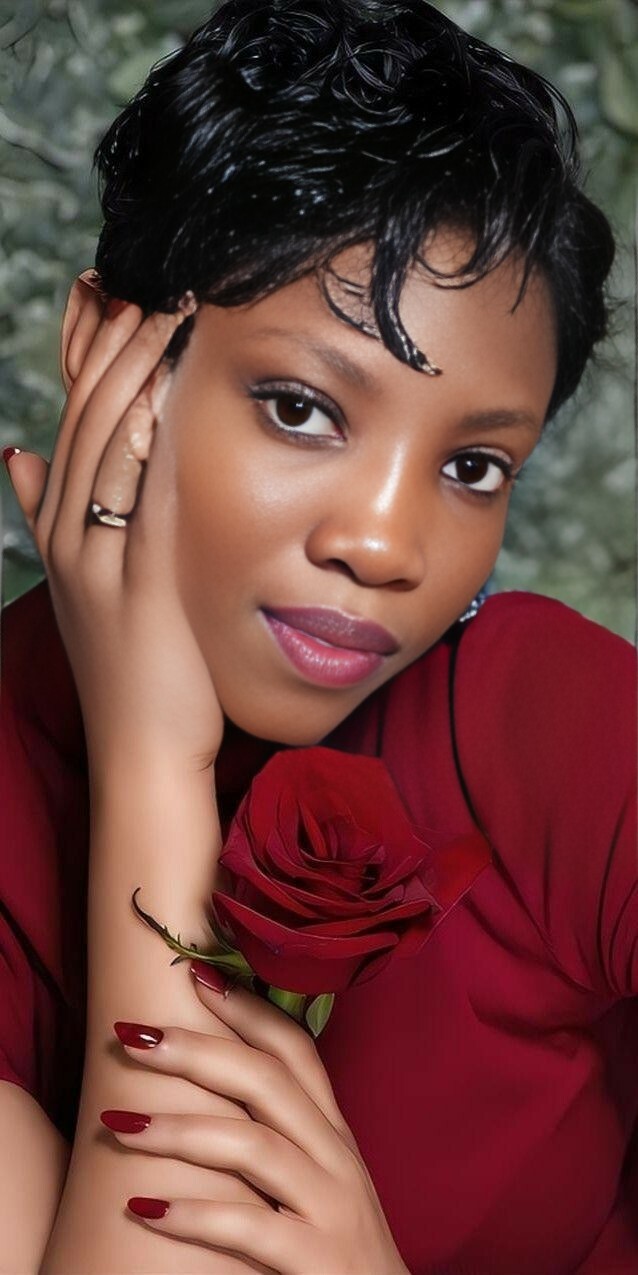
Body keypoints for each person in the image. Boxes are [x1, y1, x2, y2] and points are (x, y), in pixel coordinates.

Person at [0, 0, 635, 1271]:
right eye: (299, 407)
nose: (387, 546)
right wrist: (152, 766)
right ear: (109, 351)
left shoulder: (547, 726)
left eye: (471, 466)